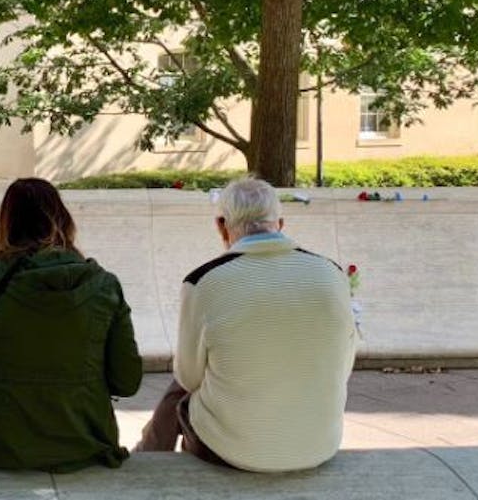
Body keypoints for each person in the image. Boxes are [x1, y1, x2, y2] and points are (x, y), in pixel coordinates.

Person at [136, 177, 356, 472]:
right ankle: (147, 453)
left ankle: (147, 458)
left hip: (233, 450)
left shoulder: (204, 281)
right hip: (319, 444)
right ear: (281, 223)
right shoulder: (331, 273)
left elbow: (189, 378)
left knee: (183, 394)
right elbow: (343, 366)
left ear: (221, 226)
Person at [0, 177, 143, 472]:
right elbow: (127, 381)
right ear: (63, 219)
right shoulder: (104, 284)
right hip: (87, 441)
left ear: (6, 224)